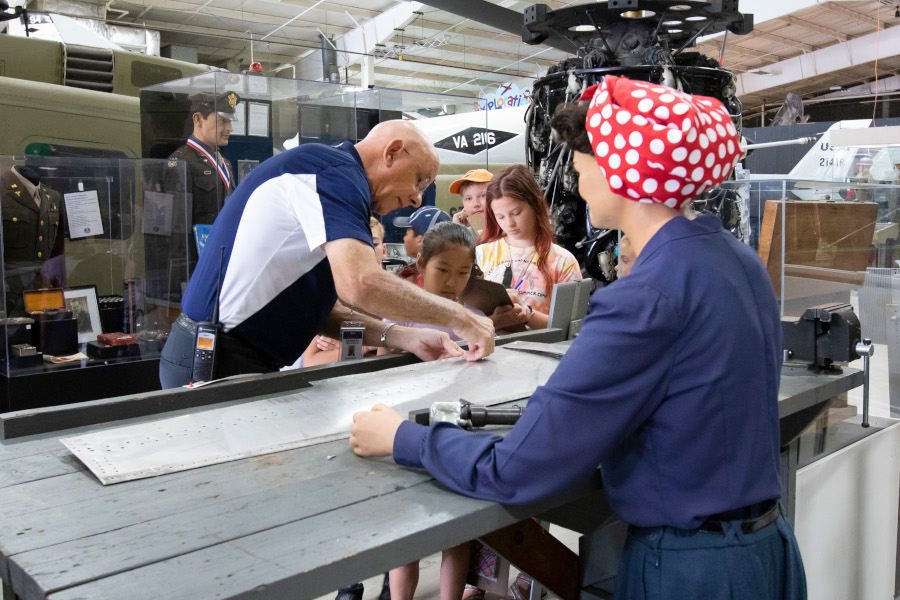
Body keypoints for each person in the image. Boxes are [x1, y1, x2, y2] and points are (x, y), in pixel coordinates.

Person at [349, 75, 805, 600]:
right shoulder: (739, 261)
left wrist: (403, 438)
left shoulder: (646, 295)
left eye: (585, 163)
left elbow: (517, 470)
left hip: (692, 570)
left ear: (622, 169)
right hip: (767, 553)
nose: (578, 179)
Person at [159, 120, 495, 389]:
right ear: (392, 153)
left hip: (228, 356)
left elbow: (319, 312)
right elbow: (360, 285)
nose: (418, 198)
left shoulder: (332, 180)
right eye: (419, 181)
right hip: (216, 360)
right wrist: (461, 318)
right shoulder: (335, 173)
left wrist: (402, 335)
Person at [382, 221, 482, 600]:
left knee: (455, 529)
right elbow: (378, 357)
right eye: (443, 270)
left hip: (454, 432)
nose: (453, 281)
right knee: (403, 531)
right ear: (422, 264)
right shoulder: (401, 314)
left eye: (463, 272)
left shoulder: (473, 320)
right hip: (405, 428)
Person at [476, 164, 581, 331]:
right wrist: (495, 321)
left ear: (535, 205)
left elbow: (570, 328)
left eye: (516, 213)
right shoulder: (481, 254)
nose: (509, 223)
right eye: (500, 216)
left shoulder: (563, 261)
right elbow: (465, 317)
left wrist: (528, 315)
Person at [166, 91, 239, 268]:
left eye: (230, 122)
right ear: (198, 119)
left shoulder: (225, 163)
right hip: (198, 264)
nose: (230, 128)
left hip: (222, 257)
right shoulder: (181, 163)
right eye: (223, 121)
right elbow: (177, 232)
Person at [302, 218, 386, 368]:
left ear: (384, 250)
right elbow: (310, 361)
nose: (368, 251)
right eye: (361, 245)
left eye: (373, 244)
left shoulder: (395, 298)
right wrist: (364, 346)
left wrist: (347, 346)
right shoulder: (333, 292)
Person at [395, 206, 452, 285]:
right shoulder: (412, 272)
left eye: (407, 234)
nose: (404, 238)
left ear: (420, 241)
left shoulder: (423, 281)